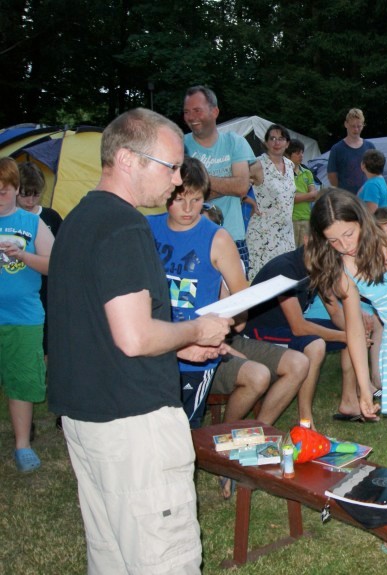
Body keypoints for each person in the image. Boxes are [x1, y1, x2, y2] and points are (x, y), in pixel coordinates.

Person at [48, 108, 232, 573]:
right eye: (171, 167)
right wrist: (199, 329)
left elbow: (100, 324)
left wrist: (178, 344)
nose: (178, 180)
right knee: (162, 560)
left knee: (112, 556)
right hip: (133, 427)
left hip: (88, 419)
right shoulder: (125, 226)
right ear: (128, 159)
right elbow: (133, 337)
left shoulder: (79, 219)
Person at [306, 188, 387, 469]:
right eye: (333, 240)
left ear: (362, 221)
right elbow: (355, 331)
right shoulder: (344, 269)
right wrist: (364, 387)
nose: (344, 246)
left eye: (349, 234)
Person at [147, 157, 249, 428]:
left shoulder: (218, 238)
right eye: (180, 200)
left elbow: (242, 298)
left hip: (197, 358)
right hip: (154, 348)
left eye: (196, 200)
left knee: (183, 429)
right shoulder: (147, 227)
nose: (188, 209)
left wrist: (227, 324)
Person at [244, 246, 349, 428]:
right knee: (315, 345)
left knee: (351, 335)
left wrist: (354, 333)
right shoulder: (285, 270)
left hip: (287, 326)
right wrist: (344, 336)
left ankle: (350, 401)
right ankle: (305, 420)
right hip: (260, 331)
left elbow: (335, 312)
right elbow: (299, 327)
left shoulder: (318, 264)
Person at [0, 157, 54, 473]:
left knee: (22, 381)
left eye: (4, 192)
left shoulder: (32, 223)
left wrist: (23, 255)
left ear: (16, 189)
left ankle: (23, 445)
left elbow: (54, 263)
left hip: (23, 317)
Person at [183, 86, 257, 274]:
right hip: (190, 236)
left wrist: (199, 181)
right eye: (186, 112)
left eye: (197, 110)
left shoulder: (234, 141)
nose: (191, 117)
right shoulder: (179, 145)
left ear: (214, 111)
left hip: (232, 236)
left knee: (238, 292)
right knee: (192, 289)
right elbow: (180, 195)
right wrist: (227, 185)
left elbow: (241, 187)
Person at [15, 162, 61, 358]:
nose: (30, 200)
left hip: (47, 291)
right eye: (25, 194)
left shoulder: (51, 217)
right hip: (19, 288)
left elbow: (62, 254)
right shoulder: (8, 218)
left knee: (47, 341)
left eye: (35, 194)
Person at [246, 124, 297, 280]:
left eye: (281, 139)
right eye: (272, 138)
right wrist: (249, 201)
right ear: (266, 142)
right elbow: (236, 184)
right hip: (263, 235)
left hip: (286, 235)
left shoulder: (290, 165)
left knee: (285, 281)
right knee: (262, 281)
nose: (276, 143)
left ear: (287, 143)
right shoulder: (257, 165)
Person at [327, 108, 375, 192]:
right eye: (353, 126)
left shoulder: (370, 147)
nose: (356, 129)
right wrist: (339, 192)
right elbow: (331, 174)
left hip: (366, 195)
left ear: (363, 125)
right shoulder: (337, 149)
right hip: (345, 196)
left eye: (359, 126)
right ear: (346, 124)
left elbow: (375, 172)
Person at [286, 139, 318, 247]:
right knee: (291, 251)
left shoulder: (307, 172)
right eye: (297, 153)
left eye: (302, 152)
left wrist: (298, 196)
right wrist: (308, 195)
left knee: (306, 251)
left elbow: (314, 196)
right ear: (288, 154)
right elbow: (289, 198)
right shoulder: (285, 174)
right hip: (291, 220)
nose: (301, 155)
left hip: (306, 218)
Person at [357, 149, 387, 213]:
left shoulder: (372, 185)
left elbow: (371, 212)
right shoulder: (379, 180)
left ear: (363, 165)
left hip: (373, 219)